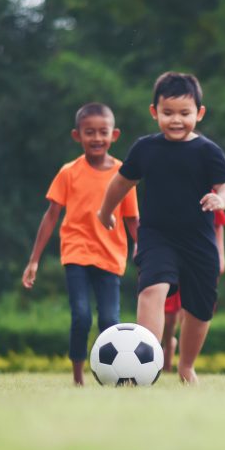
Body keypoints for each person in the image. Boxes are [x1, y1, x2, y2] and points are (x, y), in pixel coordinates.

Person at [98, 72, 225, 384]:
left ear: (199, 114)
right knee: (152, 290)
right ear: (154, 112)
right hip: (156, 236)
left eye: (185, 113)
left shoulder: (208, 151)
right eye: (168, 113)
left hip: (199, 241)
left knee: (200, 309)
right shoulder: (145, 149)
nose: (176, 120)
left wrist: (222, 200)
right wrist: (105, 210)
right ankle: (145, 366)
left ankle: (186, 366)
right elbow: (121, 182)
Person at [22, 103, 139, 386]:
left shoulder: (124, 175)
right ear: (77, 136)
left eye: (103, 132)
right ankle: (78, 378)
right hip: (76, 254)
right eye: (89, 132)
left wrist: (143, 249)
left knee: (110, 321)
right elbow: (51, 216)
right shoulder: (68, 172)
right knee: (81, 317)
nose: (97, 138)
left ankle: (112, 374)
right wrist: (34, 259)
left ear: (115, 135)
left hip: (110, 257)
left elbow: (133, 219)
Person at [161, 208, 225, 372]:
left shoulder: (208, 190)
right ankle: (168, 344)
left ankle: (185, 361)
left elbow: (218, 224)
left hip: (199, 256)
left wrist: (220, 254)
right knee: (168, 319)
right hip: (172, 256)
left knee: (191, 311)